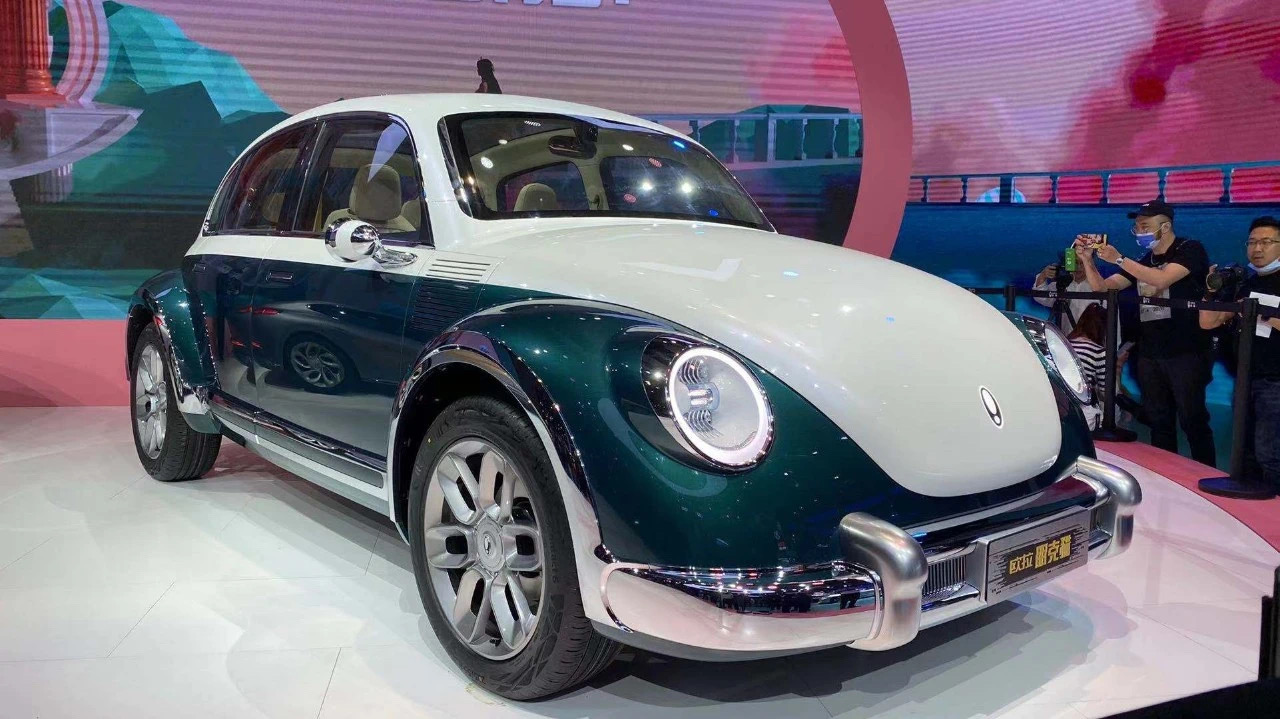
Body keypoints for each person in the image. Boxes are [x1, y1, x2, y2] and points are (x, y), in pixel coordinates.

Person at [1075, 199, 1216, 466]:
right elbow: (1104, 288)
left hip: (1187, 350)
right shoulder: (1144, 260)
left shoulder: (1189, 249)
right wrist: (1088, 260)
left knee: (1192, 419)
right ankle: (1166, 472)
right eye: (1137, 227)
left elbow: (1161, 278)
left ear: (1166, 227)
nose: (1139, 231)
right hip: (1151, 350)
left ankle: (1206, 470)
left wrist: (1118, 258)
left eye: (1145, 226)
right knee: (1158, 420)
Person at [1198, 216, 1280, 498]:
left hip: (1275, 381)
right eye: (1252, 242)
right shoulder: (1246, 283)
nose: (1257, 248)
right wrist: (1210, 292)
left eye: (1266, 242)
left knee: (1271, 453)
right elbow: (1208, 322)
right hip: (1246, 378)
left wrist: (1261, 312)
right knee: (1245, 450)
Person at [1033, 260, 1097, 333]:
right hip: (1065, 338)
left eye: (1082, 263)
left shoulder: (1097, 287)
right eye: (1075, 262)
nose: (1078, 267)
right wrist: (1042, 276)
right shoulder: (1061, 285)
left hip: (1091, 338)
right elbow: (1039, 296)